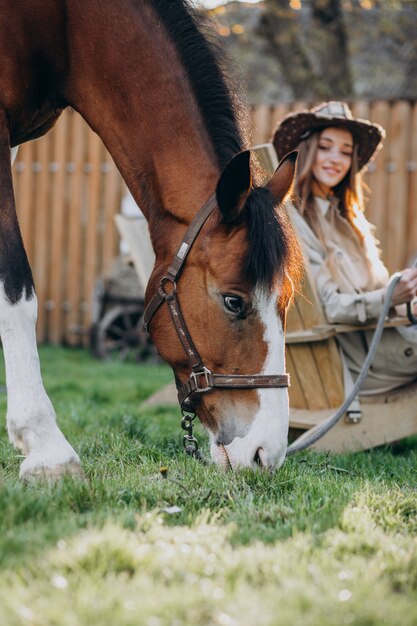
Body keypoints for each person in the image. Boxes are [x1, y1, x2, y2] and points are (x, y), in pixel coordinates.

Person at [272, 101, 417, 395]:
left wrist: (405, 297)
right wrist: (389, 296)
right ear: (307, 151)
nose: (335, 159)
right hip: (360, 359)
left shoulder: (349, 221)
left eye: (346, 151)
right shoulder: (295, 224)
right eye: (325, 147)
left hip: (387, 338)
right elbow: (327, 308)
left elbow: (375, 292)